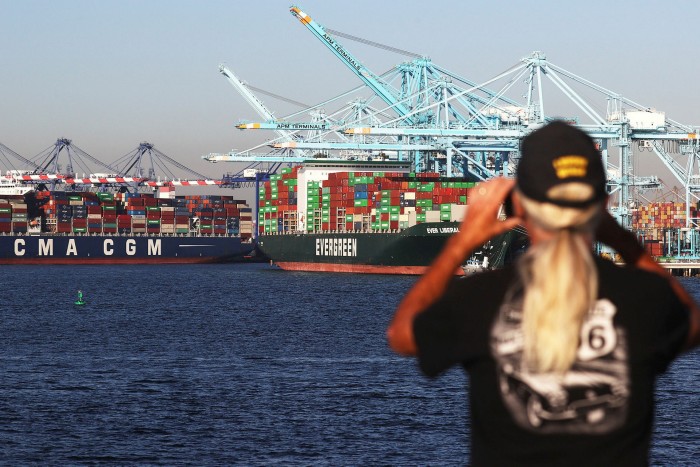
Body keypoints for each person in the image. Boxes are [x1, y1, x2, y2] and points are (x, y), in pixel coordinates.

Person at [387, 121, 700, 466]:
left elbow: (402, 335)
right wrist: (621, 238)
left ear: (519, 205)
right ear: (603, 204)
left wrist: (461, 242)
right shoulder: (644, 298)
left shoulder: (480, 298)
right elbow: (693, 322)